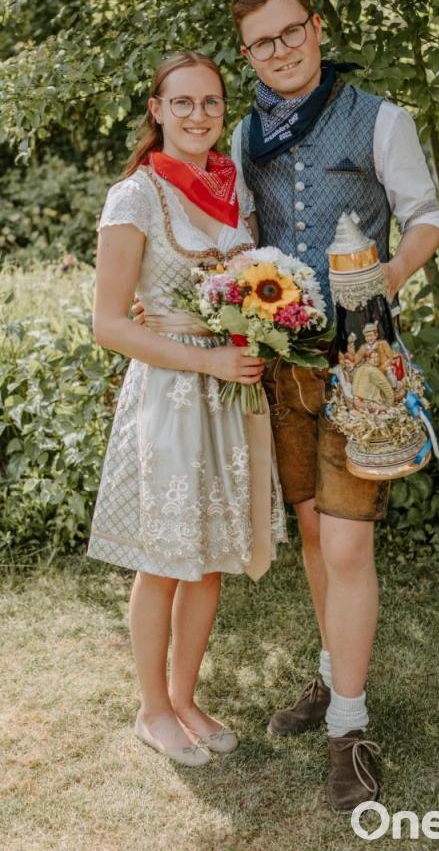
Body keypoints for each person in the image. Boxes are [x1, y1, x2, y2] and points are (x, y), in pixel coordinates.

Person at [229, 0, 439, 812]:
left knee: (349, 545)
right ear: (247, 54)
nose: (280, 50)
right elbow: (241, 238)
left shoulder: (380, 118)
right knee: (316, 537)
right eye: (261, 42)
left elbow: (425, 216)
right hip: (285, 363)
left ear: (315, 28)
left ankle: (349, 730)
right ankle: (330, 675)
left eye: (290, 31)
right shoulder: (243, 135)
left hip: (361, 361)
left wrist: (387, 274)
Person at [87, 51, 287, 769]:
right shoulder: (134, 196)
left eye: (210, 103)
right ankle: (151, 710)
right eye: (183, 102)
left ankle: (184, 697)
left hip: (228, 397)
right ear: (157, 109)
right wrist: (207, 360)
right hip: (172, 395)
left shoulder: (236, 191)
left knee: (208, 561)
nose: (198, 115)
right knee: (164, 562)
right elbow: (109, 325)